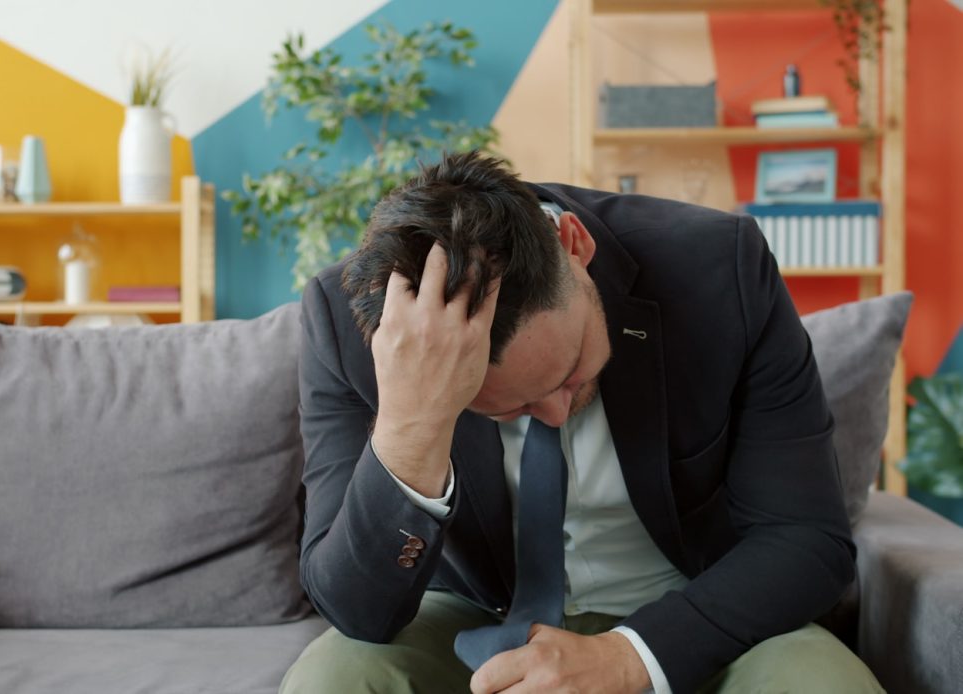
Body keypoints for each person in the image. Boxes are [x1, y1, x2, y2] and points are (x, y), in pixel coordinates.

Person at [281, 151, 882, 693]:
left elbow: (807, 538)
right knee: (331, 679)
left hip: (696, 611)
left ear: (575, 245)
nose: (555, 413)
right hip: (475, 616)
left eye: (570, 372)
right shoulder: (349, 328)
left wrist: (630, 657)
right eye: (509, 408)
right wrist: (413, 424)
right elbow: (356, 613)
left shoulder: (721, 267)